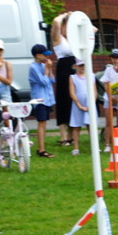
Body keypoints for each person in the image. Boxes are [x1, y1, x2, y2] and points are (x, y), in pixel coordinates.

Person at [50, 12, 75, 146]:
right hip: (63, 71)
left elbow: (93, 30)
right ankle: (63, 136)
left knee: (72, 101)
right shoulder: (58, 38)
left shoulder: (75, 39)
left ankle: (71, 135)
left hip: (74, 70)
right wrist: (64, 15)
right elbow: (55, 22)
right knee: (63, 100)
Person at [28, 44, 55, 158]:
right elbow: (43, 81)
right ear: (37, 55)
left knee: (44, 123)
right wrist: (47, 69)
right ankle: (41, 149)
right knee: (41, 122)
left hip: (47, 98)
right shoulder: (33, 67)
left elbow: (52, 79)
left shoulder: (43, 66)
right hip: (39, 99)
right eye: (44, 55)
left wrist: (49, 69)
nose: (46, 58)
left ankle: (42, 148)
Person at [68, 60, 91, 155]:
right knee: (76, 126)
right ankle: (76, 148)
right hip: (77, 105)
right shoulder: (72, 77)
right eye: (80, 65)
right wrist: (79, 105)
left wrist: (90, 104)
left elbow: (94, 90)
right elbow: (72, 92)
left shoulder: (90, 76)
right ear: (76, 66)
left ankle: (94, 147)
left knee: (90, 126)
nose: (82, 67)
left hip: (89, 104)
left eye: (84, 65)